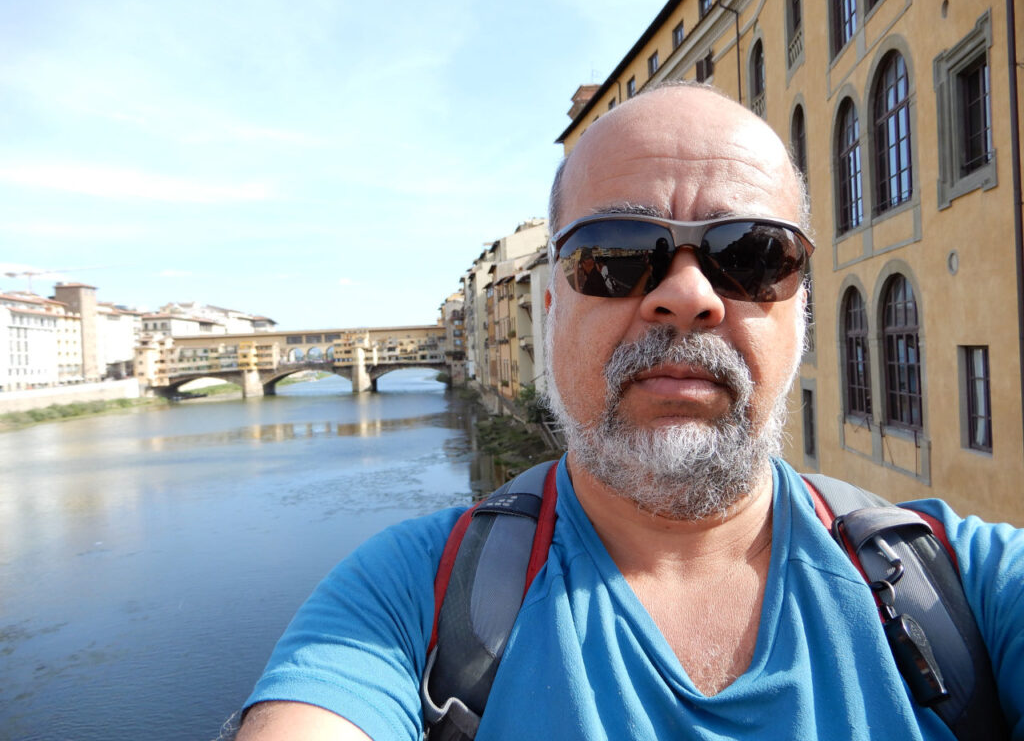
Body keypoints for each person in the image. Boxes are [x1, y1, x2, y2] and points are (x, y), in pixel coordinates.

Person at [235, 84, 1024, 740]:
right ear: (550, 310)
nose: (687, 295)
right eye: (613, 256)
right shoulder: (407, 600)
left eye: (753, 255)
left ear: (801, 312)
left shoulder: (966, 589)